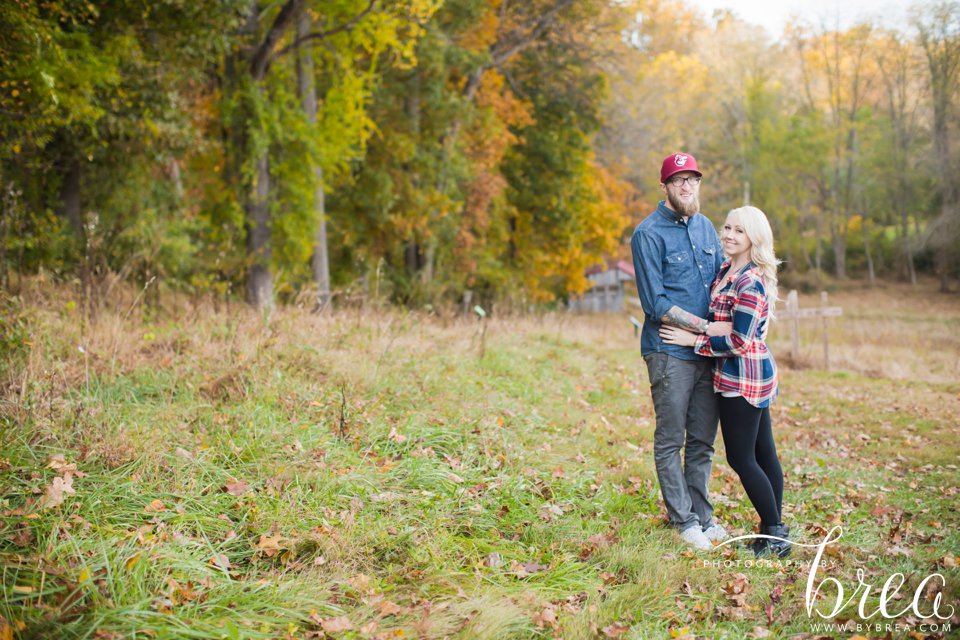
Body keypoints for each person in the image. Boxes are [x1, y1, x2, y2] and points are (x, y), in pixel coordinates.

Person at [660, 205, 789, 558]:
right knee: (764, 452)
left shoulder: (750, 282)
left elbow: (738, 341)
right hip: (743, 372)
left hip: (742, 377)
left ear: (754, 239)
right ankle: (773, 529)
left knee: (742, 457)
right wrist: (710, 327)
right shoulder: (727, 270)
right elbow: (721, 323)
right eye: (728, 227)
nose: (729, 235)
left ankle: (775, 533)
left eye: (739, 231)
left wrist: (692, 340)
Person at [631, 152, 731, 551]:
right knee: (672, 438)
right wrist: (706, 327)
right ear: (665, 187)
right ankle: (683, 519)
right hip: (669, 351)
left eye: (693, 179)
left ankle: (704, 517)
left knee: (703, 440)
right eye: (679, 181)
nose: (687, 186)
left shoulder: (707, 228)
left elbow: (723, 282)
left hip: (705, 352)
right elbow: (654, 303)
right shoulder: (648, 233)